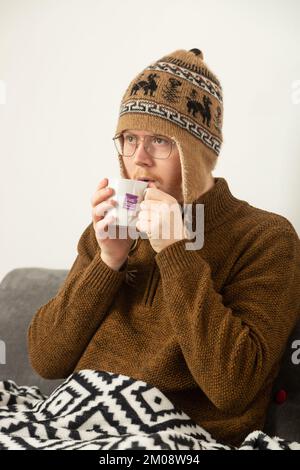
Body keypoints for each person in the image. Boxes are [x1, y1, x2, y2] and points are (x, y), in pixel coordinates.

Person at [27, 48, 300, 447]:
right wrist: (107, 261)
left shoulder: (266, 238)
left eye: (159, 141)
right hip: (71, 423)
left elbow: (233, 386)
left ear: (197, 155)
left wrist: (175, 251)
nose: (139, 159)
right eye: (128, 139)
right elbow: (47, 360)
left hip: (172, 440)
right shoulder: (110, 229)